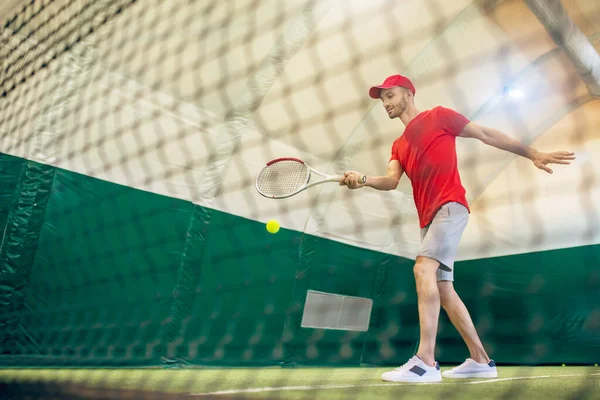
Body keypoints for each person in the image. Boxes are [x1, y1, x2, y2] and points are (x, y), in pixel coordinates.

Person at [340, 74, 575, 383]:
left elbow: (485, 134)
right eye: (382, 99)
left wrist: (532, 153)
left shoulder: (439, 116)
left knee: (422, 269)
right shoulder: (397, 145)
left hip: (450, 206)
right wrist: (364, 180)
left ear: (408, 94)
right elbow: (391, 181)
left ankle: (425, 361)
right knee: (443, 288)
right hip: (428, 220)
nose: (385, 104)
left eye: (390, 96)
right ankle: (481, 360)